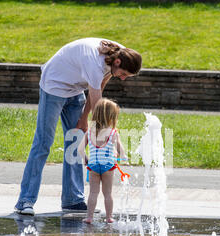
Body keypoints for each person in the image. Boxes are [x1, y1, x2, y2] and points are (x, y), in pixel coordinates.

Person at [14, 38, 141, 216]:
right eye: (124, 74)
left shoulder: (119, 53)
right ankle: (25, 201)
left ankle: (72, 201)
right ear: (118, 62)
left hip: (75, 89)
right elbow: (99, 106)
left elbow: (100, 86)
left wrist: (83, 118)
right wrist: (106, 133)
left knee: (75, 141)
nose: (123, 78)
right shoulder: (95, 62)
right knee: (43, 142)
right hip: (54, 86)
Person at [77, 98, 127, 224]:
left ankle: (89, 217)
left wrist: (86, 159)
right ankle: (109, 217)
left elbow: (80, 149)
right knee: (108, 194)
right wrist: (121, 157)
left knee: (93, 193)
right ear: (111, 117)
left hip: (93, 166)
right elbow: (121, 152)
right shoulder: (113, 133)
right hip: (108, 167)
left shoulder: (89, 133)